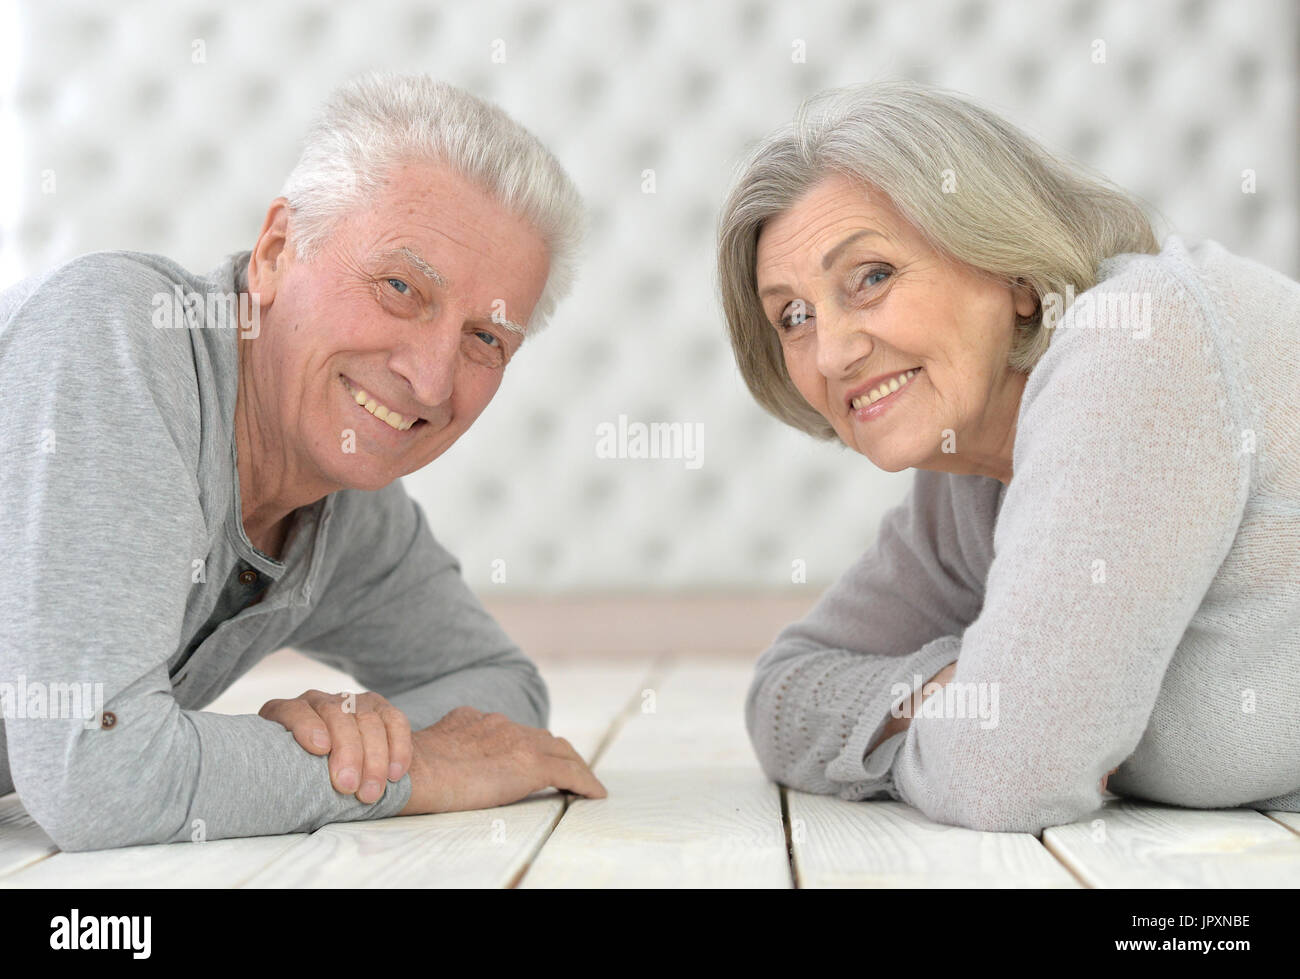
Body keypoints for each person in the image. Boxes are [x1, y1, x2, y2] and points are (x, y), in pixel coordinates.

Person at [0, 71, 604, 852]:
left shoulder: (341, 503)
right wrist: (410, 771)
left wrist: (373, 741)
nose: (431, 378)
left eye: (486, 339)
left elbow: (501, 694)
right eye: (399, 286)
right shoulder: (118, 338)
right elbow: (98, 775)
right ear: (277, 251)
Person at [717, 80, 1300, 834]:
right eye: (793, 316)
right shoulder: (968, 476)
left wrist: (998, 711)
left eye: (872, 277)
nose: (830, 352)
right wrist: (954, 685)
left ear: (1014, 276)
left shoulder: (1138, 341)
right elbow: (783, 694)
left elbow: (1009, 771)